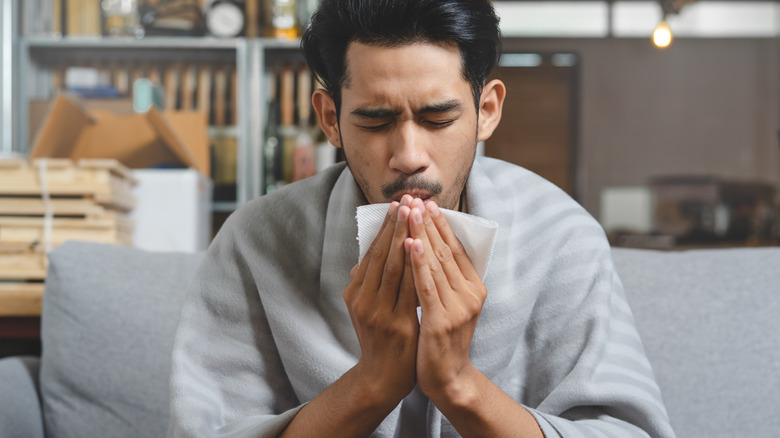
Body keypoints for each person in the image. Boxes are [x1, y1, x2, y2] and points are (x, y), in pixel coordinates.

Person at [168, 1, 675, 437]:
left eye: (438, 119)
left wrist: (459, 384)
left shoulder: (561, 235)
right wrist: (371, 385)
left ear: (488, 110)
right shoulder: (257, 241)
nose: (409, 155)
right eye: (374, 120)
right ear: (330, 120)